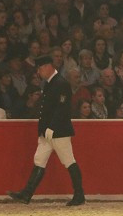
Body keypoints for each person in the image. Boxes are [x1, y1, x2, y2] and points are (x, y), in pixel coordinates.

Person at [8, 54, 85, 206]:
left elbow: (62, 109)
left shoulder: (60, 83)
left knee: (69, 161)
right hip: (48, 132)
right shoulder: (51, 83)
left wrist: (52, 127)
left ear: (48, 67)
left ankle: (79, 195)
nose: (39, 72)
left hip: (58, 132)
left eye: (40, 68)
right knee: (39, 160)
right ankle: (26, 194)